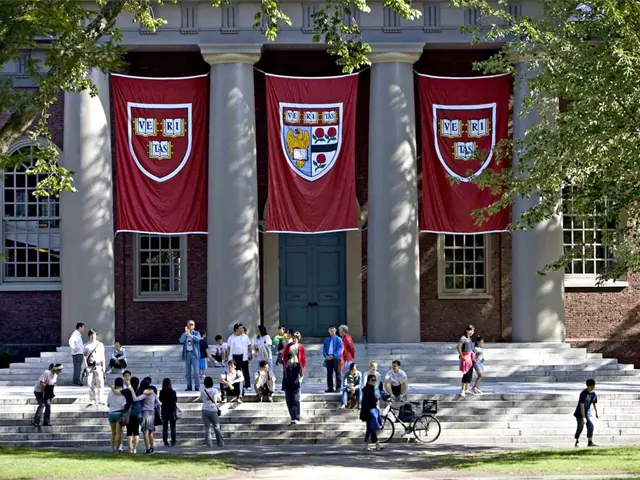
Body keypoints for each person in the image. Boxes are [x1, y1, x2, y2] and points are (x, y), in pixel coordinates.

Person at [31, 363, 63, 428]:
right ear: (55, 369)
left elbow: (53, 383)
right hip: (39, 391)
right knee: (42, 404)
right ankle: (36, 421)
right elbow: (41, 382)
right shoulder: (47, 373)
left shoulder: (55, 375)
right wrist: (48, 386)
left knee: (48, 405)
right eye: (59, 370)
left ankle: (46, 421)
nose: (60, 372)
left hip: (47, 392)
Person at [361, 374, 384, 453]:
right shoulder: (368, 390)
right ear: (368, 381)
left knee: (371, 428)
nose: (374, 382)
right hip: (369, 411)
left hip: (369, 411)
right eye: (372, 380)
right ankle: (366, 446)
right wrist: (375, 403)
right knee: (369, 429)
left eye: (375, 380)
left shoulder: (370, 389)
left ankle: (377, 444)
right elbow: (367, 401)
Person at [135, 378, 159, 454]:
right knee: (151, 432)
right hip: (152, 413)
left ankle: (147, 448)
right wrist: (153, 406)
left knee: (145, 432)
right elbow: (158, 402)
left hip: (145, 413)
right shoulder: (153, 393)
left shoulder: (145, 394)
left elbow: (136, 399)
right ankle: (152, 447)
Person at [227, 323, 252, 392]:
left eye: (242, 328)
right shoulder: (231, 338)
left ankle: (248, 385)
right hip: (235, 356)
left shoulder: (245, 337)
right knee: (236, 371)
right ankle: (237, 385)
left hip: (244, 356)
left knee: (245, 371)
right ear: (236, 329)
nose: (241, 330)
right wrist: (227, 357)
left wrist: (250, 353)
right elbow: (228, 348)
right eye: (240, 328)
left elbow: (249, 345)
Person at [84, 329, 106, 406]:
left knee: (100, 383)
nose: (93, 336)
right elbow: (84, 356)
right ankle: (92, 399)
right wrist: (86, 366)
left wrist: (104, 366)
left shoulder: (100, 344)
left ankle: (101, 399)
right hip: (90, 366)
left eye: (94, 334)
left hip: (98, 365)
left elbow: (103, 356)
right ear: (89, 336)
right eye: (91, 335)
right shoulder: (86, 345)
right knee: (90, 383)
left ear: (96, 335)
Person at [200, 376, 224, 447]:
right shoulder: (215, 390)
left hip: (205, 409)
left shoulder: (203, 391)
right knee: (216, 427)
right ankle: (220, 443)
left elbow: (201, 398)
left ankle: (209, 444)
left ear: (205, 383)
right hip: (213, 410)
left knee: (207, 428)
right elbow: (218, 399)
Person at [574, 379, 599, 448]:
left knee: (591, 426)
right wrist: (583, 417)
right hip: (580, 413)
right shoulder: (583, 393)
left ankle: (590, 442)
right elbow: (581, 406)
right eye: (592, 386)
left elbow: (594, 403)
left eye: (594, 386)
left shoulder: (593, 394)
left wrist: (596, 412)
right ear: (588, 386)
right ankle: (576, 441)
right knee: (580, 428)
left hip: (587, 413)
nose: (593, 387)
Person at [179, 320, 201, 391]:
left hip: (194, 354)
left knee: (196, 372)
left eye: (192, 324)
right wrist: (186, 334)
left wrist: (190, 335)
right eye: (189, 324)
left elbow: (198, 339)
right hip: (187, 353)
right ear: (187, 325)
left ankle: (197, 386)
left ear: (194, 326)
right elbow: (181, 340)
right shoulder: (185, 334)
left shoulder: (196, 333)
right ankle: (189, 386)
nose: (190, 326)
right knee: (187, 372)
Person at [107, 377, 127, 453]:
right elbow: (124, 405)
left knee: (113, 433)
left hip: (111, 413)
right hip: (119, 413)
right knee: (118, 433)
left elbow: (108, 404)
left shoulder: (110, 392)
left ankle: (112, 448)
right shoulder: (122, 393)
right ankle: (117, 449)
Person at [283, 353, 302, 425]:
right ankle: (292, 417)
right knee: (289, 402)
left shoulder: (297, 365)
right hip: (288, 387)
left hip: (296, 386)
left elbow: (300, 373)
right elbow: (284, 377)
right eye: (287, 360)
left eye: (290, 359)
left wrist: (297, 363)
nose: (288, 361)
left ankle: (296, 417)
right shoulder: (286, 367)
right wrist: (284, 387)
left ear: (293, 359)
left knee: (296, 401)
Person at [322, 325, 343, 393]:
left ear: (335, 330)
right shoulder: (326, 340)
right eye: (330, 330)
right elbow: (324, 349)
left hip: (336, 358)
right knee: (329, 373)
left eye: (333, 330)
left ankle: (338, 388)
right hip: (328, 358)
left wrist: (333, 355)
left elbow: (339, 349)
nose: (332, 331)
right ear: (329, 331)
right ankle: (330, 388)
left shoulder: (338, 339)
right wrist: (326, 356)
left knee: (337, 373)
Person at [457, 325, 476, 397]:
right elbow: (458, 347)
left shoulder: (470, 339)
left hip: (471, 358)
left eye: (472, 331)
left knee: (470, 374)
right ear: (466, 330)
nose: (471, 332)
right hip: (465, 357)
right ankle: (462, 390)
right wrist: (462, 356)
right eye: (470, 330)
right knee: (466, 373)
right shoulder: (463, 338)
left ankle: (467, 389)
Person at [159, 378, 178, 447]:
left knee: (165, 427)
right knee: (173, 427)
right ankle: (173, 441)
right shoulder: (173, 392)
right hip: (172, 410)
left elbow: (160, 399)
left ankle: (165, 442)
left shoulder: (161, 392)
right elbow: (175, 400)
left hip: (164, 410)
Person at [125, 376, 141, 454]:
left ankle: (130, 448)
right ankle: (135, 448)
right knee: (136, 432)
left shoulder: (127, 391)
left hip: (129, 413)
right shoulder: (140, 392)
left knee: (129, 432)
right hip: (137, 413)